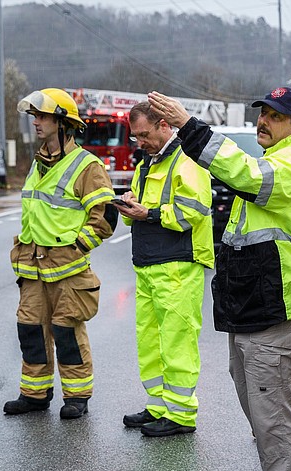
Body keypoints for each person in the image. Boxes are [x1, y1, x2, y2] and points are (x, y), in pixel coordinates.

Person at [147, 86, 291, 471]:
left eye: (275, 117)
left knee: (271, 402)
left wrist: (188, 126)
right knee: (258, 395)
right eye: (261, 114)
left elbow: (242, 173)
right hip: (256, 300)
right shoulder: (277, 160)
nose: (263, 121)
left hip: (275, 302)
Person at [5, 88, 115, 419]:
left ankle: (77, 397)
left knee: (67, 332)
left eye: (42, 116)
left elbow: (106, 217)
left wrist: (76, 247)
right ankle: (35, 394)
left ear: (62, 122)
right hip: (33, 267)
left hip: (68, 270)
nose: (36, 122)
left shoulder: (87, 166)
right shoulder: (38, 164)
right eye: (35, 116)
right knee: (31, 330)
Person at [117, 101, 214, 437]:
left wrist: (149, 214)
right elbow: (149, 207)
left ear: (163, 125)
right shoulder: (149, 162)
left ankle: (181, 415)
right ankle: (159, 406)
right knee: (152, 341)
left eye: (144, 134)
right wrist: (131, 205)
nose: (139, 141)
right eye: (135, 136)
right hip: (149, 263)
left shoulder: (187, 158)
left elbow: (195, 210)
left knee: (177, 343)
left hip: (177, 264)